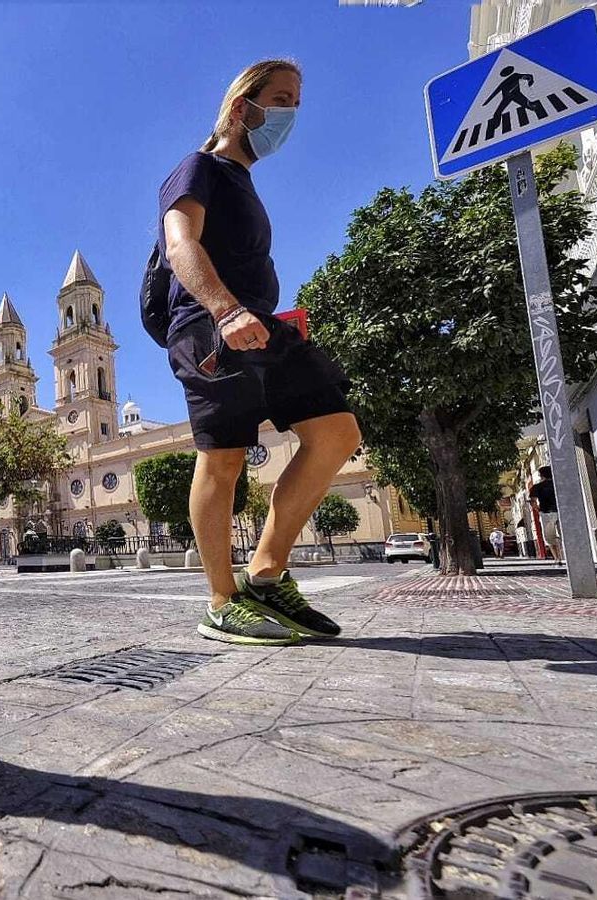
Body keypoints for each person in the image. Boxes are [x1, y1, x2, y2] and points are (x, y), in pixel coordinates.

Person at [157, 59, 360, 646]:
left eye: (296, 102)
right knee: (223, 458)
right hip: (210, 324)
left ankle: (266, 575)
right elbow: (180, 244)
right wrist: (225, 310)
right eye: (281, 99)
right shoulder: (198, 168)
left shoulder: (245, 183)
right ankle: (222, 602)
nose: (291, 113)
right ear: (242, 107)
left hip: (263, 326)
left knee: (337, 431)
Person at [530, 466, 562, 561]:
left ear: (541, 475)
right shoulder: (558, 484)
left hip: (546, 513)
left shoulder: (537, 487)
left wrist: (538, 510)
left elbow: (533, 502)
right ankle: (566, 555)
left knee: (549, 538)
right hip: (560, 512)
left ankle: (557, 559)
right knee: (563, 535)